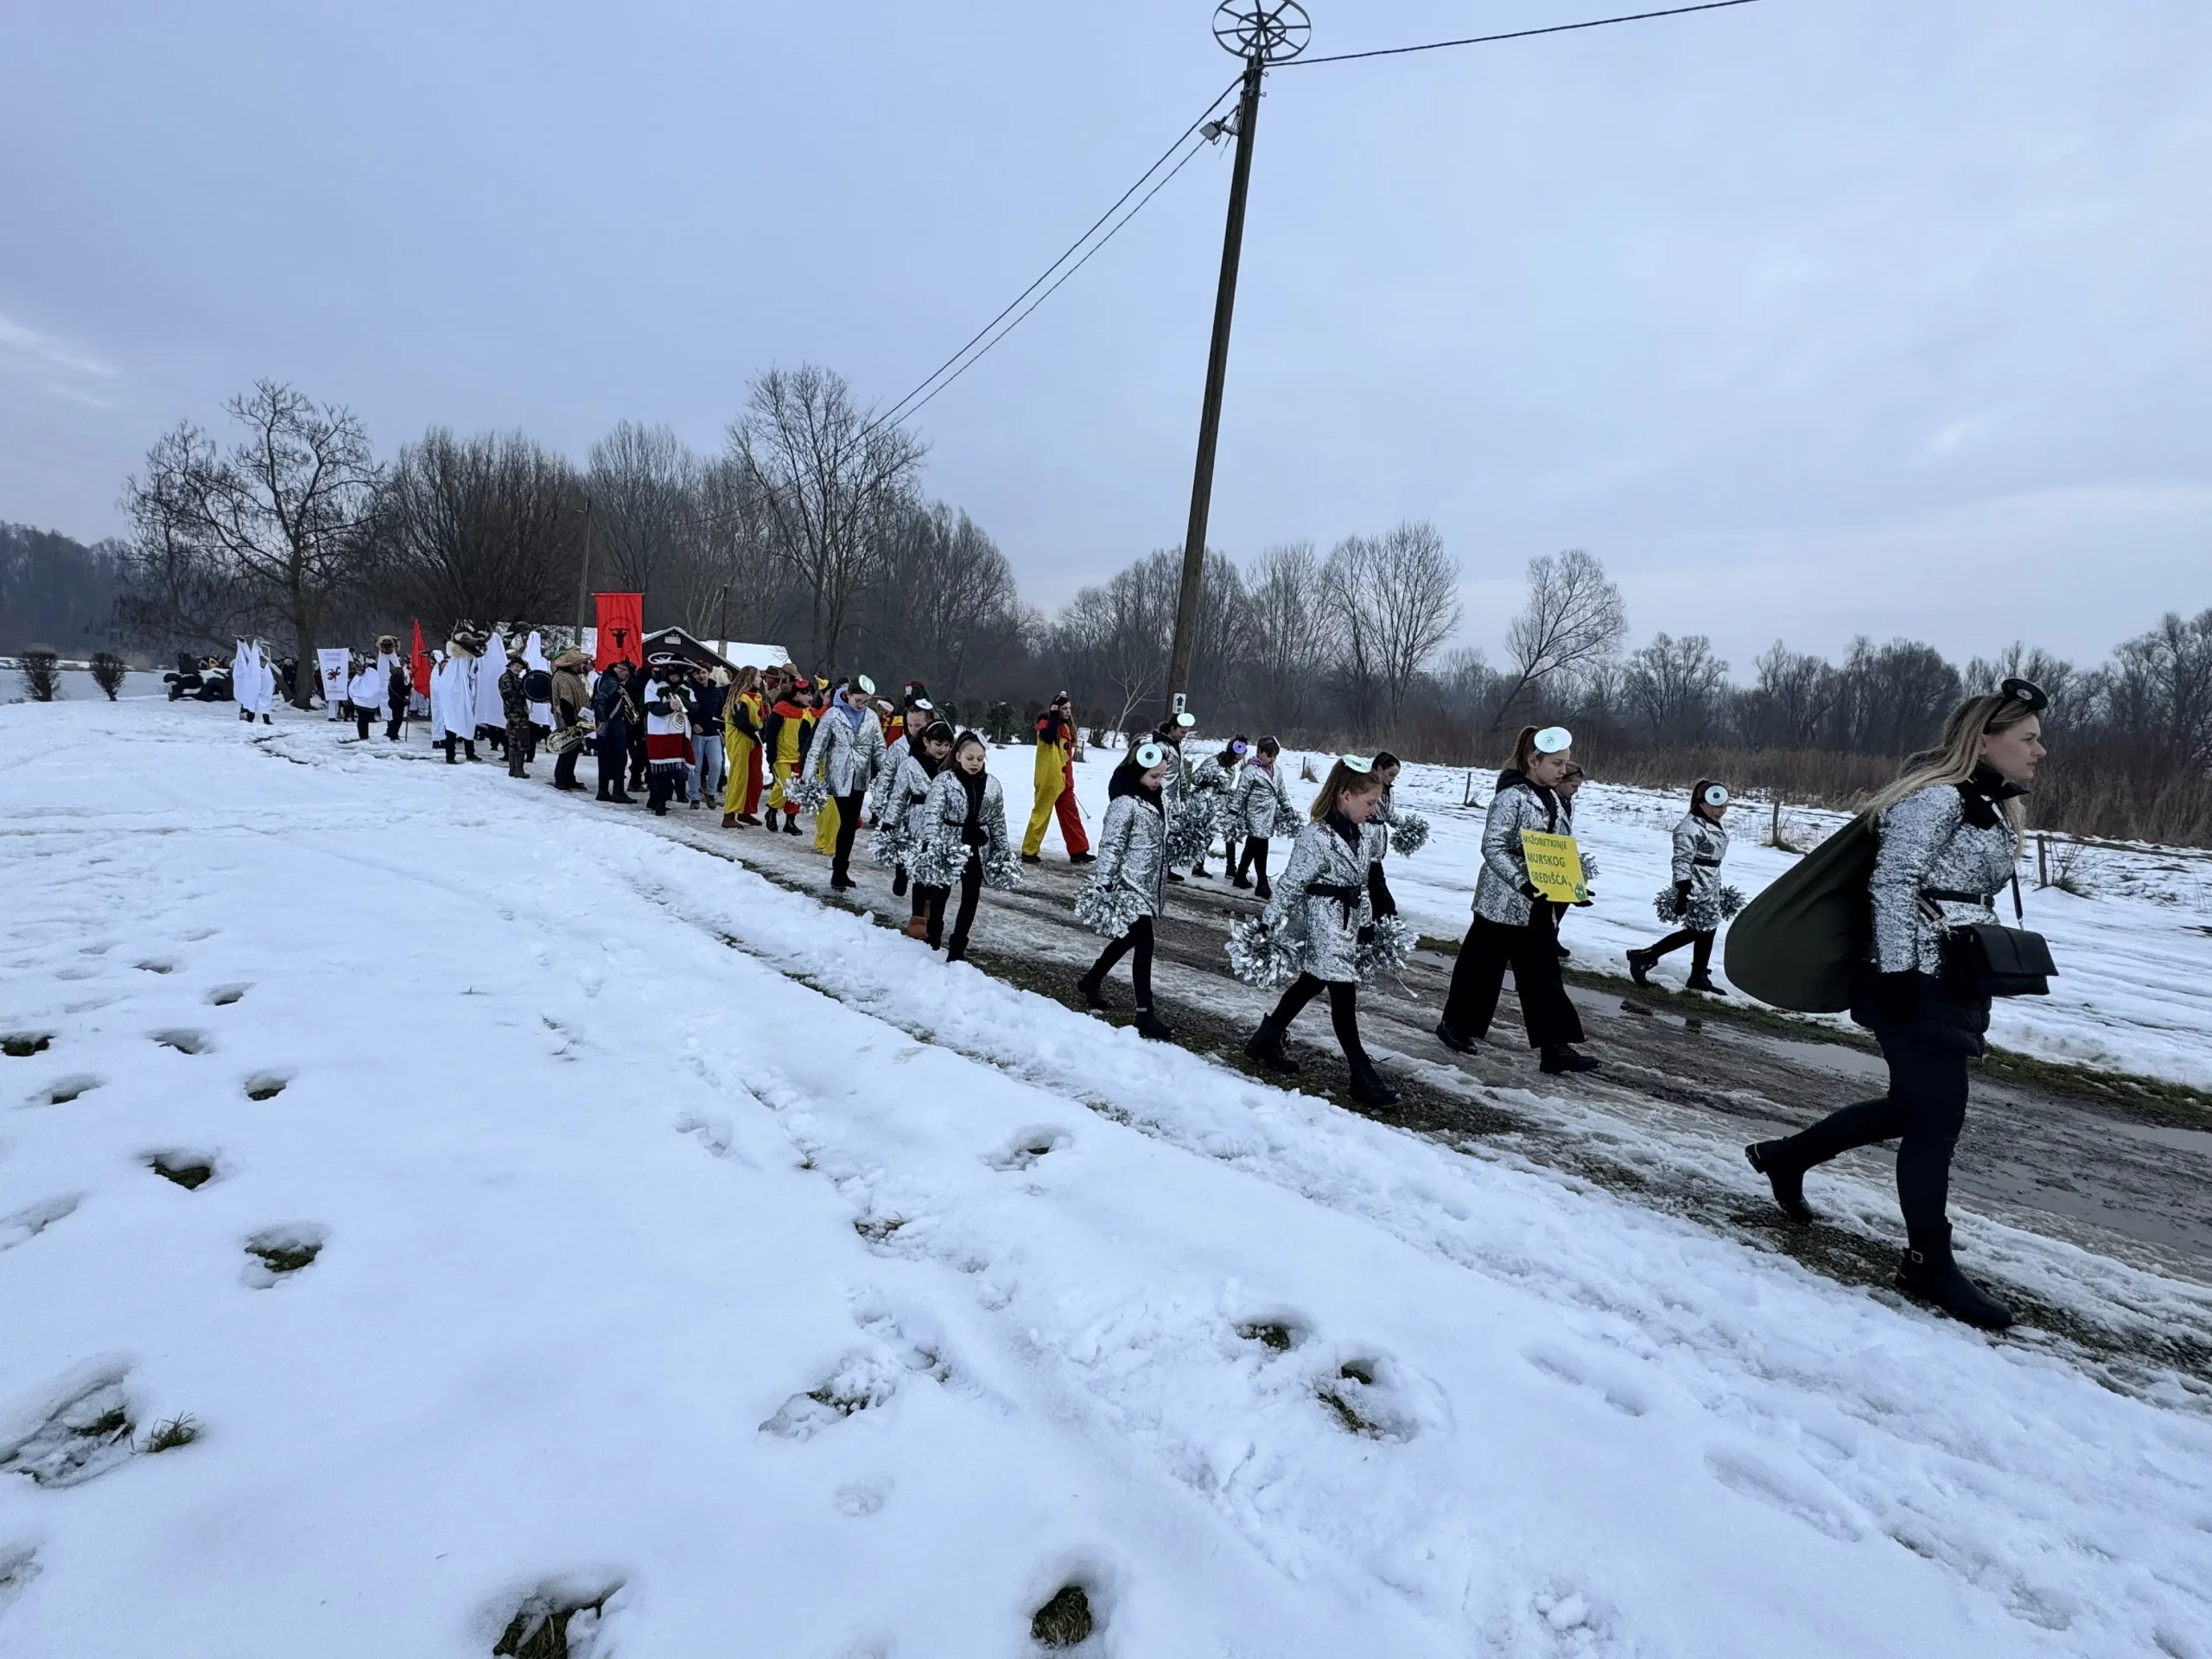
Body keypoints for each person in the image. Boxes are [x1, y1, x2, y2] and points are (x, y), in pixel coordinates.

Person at [1744, 682, 2050, 1331]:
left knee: (1911, 1110)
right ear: (1985, 739)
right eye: (2028, 738)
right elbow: (1893, 880)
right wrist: (1898, 972)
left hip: (1957, 977)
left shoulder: (1990, 807)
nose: (2039, 751)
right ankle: (1926, 1262)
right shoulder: (1936, 797)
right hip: (1910, 980)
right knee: (1936, 1120)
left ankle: (1789, 1157)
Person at [1232, 757, 1410, 1108]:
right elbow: (1292, 884)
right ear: (1346, 796)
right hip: (1323, 923)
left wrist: (1368, 924)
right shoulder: (1317, 835)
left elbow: (1362, 885)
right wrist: (1266, 924)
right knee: (1344, 999)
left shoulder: (1358, 832)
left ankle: (1265, 1040)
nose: (1373, 811)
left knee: (1310, 984)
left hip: (1347, 922)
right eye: (1369, 803)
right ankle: (1360, 1076)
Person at [1435, 725, 1599, 1074]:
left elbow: (1559, 850)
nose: (1563, 771)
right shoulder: (1511, 797)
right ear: (1533, 760)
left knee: (1544, 974)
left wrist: (1573, 888)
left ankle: (1554, 1047)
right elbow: (1492, 846)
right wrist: (1521, 882)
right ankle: (1455, 1026)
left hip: (1539, 903)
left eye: (1565, 763)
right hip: (1501, 903)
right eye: (1556, 763)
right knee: (1480, 971)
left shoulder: (1554, 798)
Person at [1073, 741, 1173, 1039]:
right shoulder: (1124, 802)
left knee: (1129, 938)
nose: (1158, 783)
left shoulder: (1153, 799)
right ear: (1137, 771)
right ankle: (1145, 1013)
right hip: (1126, 885)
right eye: (1154, 777)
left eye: (1162, 777)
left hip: (1146, 883)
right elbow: (1111, 845)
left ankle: (1092, 979)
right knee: (1145, 943)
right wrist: (1103, 883)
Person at [912, 728, 1020, 962]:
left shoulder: (992, 785)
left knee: (971, 897)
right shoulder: (944, 781)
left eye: (980, 759)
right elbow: (932, 815)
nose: (975, 763)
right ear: (958, 756)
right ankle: (934, 935)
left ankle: (958, 946)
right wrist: (931, 845)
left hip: (977, 848)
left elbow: (997, 820)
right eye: (970, 758)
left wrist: (1002, 850)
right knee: (941, 893)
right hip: (948, 845)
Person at [1629, 781, 1739, 993]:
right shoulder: (1690, 827)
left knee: (1707, 930)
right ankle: (1645, 956)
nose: (1721, 811)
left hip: (1710, 882)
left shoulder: (1709, 822)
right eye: (1716, 806)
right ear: (1701, 803)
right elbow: (1681, 859)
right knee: (1697, 930)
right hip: (1694, 884)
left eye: (1724, 806)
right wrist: (1683, 890)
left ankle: (1697, 976)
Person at [801, 676, 887, 890]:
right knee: (845, 821)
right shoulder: (832, 715)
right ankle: (839, 870)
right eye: (859, 700)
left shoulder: (871, 718)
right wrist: (808, 774)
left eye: (867, 702)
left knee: (850, 825)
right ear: (848, 695)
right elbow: (817, 747)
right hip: (838, 776)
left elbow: (879, 748)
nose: (863, 705)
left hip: (860, 778)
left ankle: (841, 869)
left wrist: (888, 774)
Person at [875, 720, 951, 936]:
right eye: (938, 743)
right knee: (920, 872)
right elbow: (899, 797)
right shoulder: (910, 765)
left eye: (947, 745)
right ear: (926, 741)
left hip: (944, 825)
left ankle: (931, 913)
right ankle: (917, 919)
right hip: (917, 821)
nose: (942, 749)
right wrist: (889, 824)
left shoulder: (952, 766)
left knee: (939, 872)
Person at [1021, 692, 1094, 865]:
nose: (1068, 712)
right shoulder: (1046, 724)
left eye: (1069, 708)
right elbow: (1047, 737)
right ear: (1055, 709)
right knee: (1041, 813)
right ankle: (1029, 850)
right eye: (1064, 708)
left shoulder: (1067, 728)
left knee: (1071, 815)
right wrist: (1054, 715)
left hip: (1065, 780)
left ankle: (1079, 850)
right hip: (1049, 779)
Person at [1229, 737, 1295, 898]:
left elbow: (1281, 791)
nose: (1272, 759)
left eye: (1275, 757)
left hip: (1269, 814)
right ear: (1259, 752)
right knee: (1261, 846)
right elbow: (1241, 793)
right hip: (1255, 814)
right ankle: (1262, 883)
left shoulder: (1276, 770)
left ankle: (1240, 876)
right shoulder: (1250, 770)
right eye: (1269, 755)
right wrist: (1233, 811)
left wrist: (1287, 807)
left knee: (1252, 846)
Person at [1185, 736, 1247, 879]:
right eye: (1237, 756)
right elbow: (1195, 778)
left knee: (1219, 834)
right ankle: (1197, 865)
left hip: (1220, 804)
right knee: (1203, 834)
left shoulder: (1230, 767)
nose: (1238, 760)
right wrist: (1211, 780)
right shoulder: (1213, 762)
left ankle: (1230, 867)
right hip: (1205, 803)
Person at [640, 655, 693, 815]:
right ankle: (660, 803)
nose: (677, 678)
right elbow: (653, 707)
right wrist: (669, 707)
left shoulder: (686, 688)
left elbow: (695, 707)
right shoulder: (654, 684)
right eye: (674, 675)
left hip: (678, 733)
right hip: (659, 732)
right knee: (659, 768)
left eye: (680, 675)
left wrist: (684, 703)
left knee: (672, 770)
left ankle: (654, 799)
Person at [760, 671, 810, 834]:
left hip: (798, 757)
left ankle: (790, 820)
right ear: (797, 695)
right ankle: (772, 810)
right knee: (784, 787)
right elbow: (771, 732)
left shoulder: (806, 713)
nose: (810, 698)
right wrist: (771, 754)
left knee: (796, 792)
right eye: (807, 694)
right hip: (782, 756)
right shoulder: (781, 709)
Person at [720, 665, 767, 827]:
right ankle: (729, 814)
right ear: (750, 678)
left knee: (755, 778)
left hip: (753, 741)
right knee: (739, 777)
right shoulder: (740, 698)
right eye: (759, 676)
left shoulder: (757, 697)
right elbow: (741, 721)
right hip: (741, 740)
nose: (761, 679)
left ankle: (746, 811)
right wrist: (757, 732)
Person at [592, 659, 638, 803]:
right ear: (622, 670)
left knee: (604, 758)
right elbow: (600, 700)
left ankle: (603, 791)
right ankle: (618, 792)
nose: (627, 679)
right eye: (628, 675)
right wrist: (603, 720)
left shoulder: (601, 679)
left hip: (605, 724)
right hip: (613, 724)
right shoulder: (612, 682)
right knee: (620, 758)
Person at [547, 648, 593, 791]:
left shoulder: (570, 676)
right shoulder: (564, 678)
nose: (583, 666)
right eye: (581, 663)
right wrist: (570, 723)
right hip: (570, 721)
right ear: (574, 664)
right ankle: (561, 779)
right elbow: (565, 702)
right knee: (567, 750)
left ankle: (569, 778)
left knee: (573, 750)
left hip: (575, 720)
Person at [690, 667, 728, 810]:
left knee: (717, 764)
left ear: (708, 674)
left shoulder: (716, 691)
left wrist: (723, 728)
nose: (701, 676)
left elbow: (722, 711)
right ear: (694, 675)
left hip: (714, 734)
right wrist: (693, 723)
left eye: (703, 672)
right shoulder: (691, 691)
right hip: (697, 734)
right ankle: (694, 797)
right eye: (698, 673)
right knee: (696, 767)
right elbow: (686, 710)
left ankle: (711, 793)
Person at [499, 649, 534, 778]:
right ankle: (518, 769)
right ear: (511, 666)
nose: (518, 669)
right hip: (515, 713)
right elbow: (508, 695)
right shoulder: (507, 678)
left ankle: (514, 769)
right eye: (516, 666)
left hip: (517, 713)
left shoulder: (516, 678)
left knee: (514, 741)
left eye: (520, 667)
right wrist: (521, 693)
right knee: (520, 741)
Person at [345, 656, 383, 741]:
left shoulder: (364, 675)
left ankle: (363, 735)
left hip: (359, 701)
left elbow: (353, 686)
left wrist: (353, 696)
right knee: (364, 719)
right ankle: (364, 735)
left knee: (362, 720)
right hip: (367, 703)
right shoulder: (374, 675)